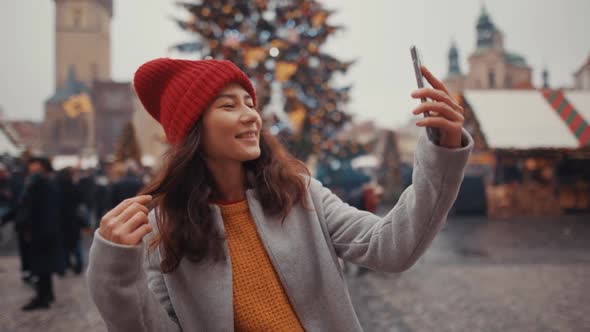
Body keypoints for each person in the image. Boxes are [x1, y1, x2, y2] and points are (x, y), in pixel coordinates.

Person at [87, 58, 472, 331]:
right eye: (228, 105)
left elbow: (392, 248)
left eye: (250, 104)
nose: (251, 115)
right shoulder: (164, 228)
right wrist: (115, 267)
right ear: (192, 131)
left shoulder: (298, 193)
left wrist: (444, 150)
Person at [17, 157, 62, 310]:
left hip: (41, 231)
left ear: (41, 166)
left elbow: (47, 208)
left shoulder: (41, 182)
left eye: (34, 164)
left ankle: (42, 297)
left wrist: (46, 231)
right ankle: (46, 294)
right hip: (40, 230)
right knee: (43, 266)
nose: (31, 166)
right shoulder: (37, 181)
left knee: (41, 265)